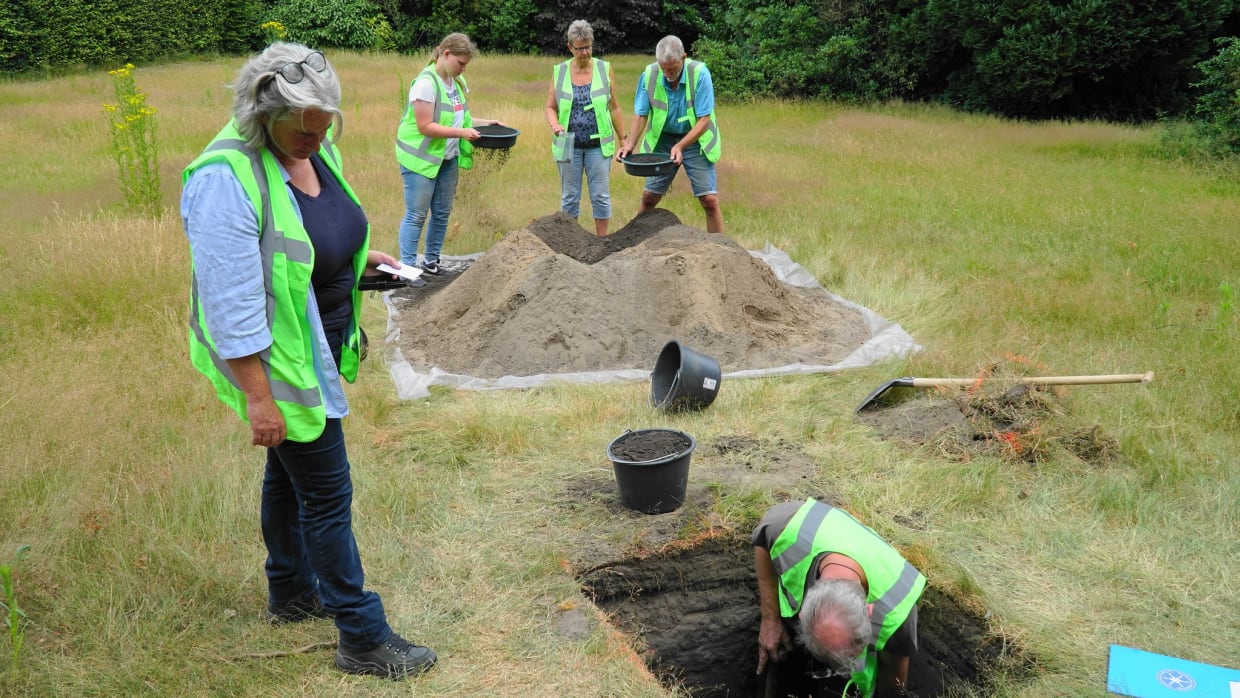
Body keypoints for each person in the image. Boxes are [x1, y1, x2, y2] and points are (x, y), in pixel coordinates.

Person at [181, 42, 436, 680]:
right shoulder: (223, 178)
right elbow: (229, 305)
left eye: (326, 126)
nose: (318, 140)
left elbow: (322, 227)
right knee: (326, 494)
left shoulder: (311, 148)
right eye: (305, 128)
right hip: (279, 365)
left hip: (317, 346)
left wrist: (363, 257)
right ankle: (362, 637)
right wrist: (259, 400)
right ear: (262, 112)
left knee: (286, 478)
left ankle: (291, 592)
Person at [753, 498, 926, 697]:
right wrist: (770, 618)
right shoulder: (787, 527)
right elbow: (763, 538)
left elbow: (893, 679)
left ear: (870, 612)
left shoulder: (897, 614)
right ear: (802, 614)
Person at [396, 32, 506, 274]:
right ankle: (406, 269)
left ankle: (432, 263)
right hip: (419, 160)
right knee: (416, 214)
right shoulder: (426, 84)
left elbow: (459, 119)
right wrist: (462, 134)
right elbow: (425, 126)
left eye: (466, 65)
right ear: (446, 54)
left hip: (446, 159)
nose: (463, 69)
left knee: (442, 212)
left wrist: (486, 123)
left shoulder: (455, 84)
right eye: (461, 63)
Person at [616, 35, 723, 233]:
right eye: (663, 67)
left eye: (672, 68)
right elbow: (641, 115)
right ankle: (632, 243)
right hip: (664, 140)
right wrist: (630, 144)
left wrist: (681, 146)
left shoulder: (699, 74)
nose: (667, 73)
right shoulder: (649, 75)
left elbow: (704, 121)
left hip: (695, 140)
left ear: (683, 57)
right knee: (649, 198)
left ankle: (722, 251)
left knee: (709, 200)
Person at [544, 19, 626, 237]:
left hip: (598, 146)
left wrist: (624, 140)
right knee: (570, 196)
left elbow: (615, 108)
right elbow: (550, 107)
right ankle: (572, 241)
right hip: (567, 143)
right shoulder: (559, 72)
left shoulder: (604, 69)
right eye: (580, 48)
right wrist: (554, 124)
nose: (585, 52)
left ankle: (602, 241)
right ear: (570, 47)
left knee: (600, 195)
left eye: (588, 46)